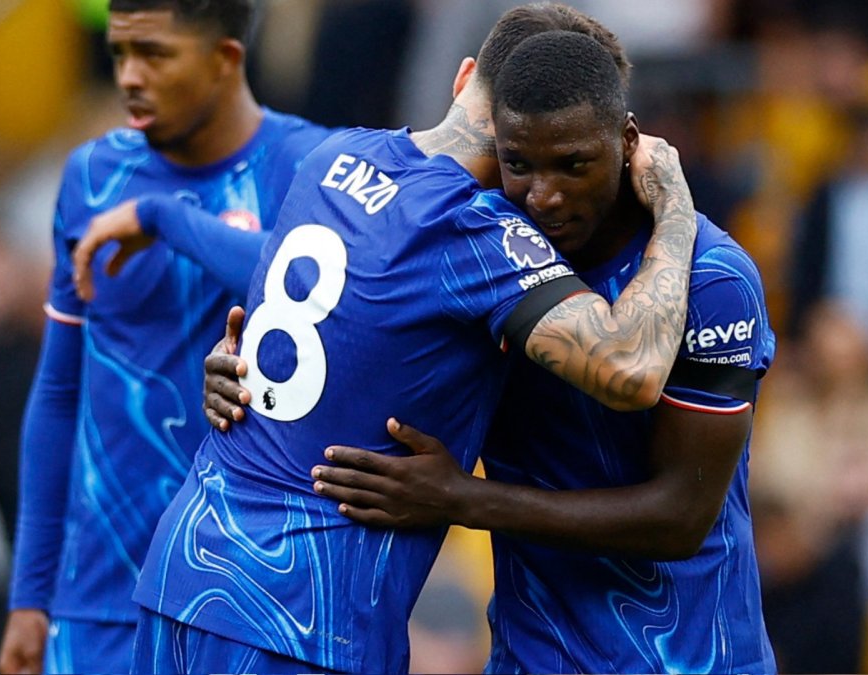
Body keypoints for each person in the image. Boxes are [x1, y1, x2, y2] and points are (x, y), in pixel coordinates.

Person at [73, 4, 698, 671]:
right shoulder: (475, 233)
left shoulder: (335, 155)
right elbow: (631, 367)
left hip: (186, 566)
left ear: (463, 80)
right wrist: (676, 212)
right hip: (302, 611)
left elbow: (283, 270)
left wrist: (163, 214)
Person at [209, 29, 777, 673]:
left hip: (689, 657)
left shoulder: (710, 279)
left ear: (627, 143)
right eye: (520, 164)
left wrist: (464, 500)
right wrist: (244, 370)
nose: (544, 195)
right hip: (529, 655)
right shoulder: (481, 254)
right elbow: (338, 315)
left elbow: (681, 517)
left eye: (573, 163)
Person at [0, 1, 332, 673]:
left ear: (225, 58)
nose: (129, 76)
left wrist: (165, 219)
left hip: (249, 596)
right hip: (99, 600)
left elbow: (309, 289)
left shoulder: (311, 165)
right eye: (120, 53)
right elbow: (60, 390)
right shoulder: (93, 177)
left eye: (154, 53)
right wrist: (31, 593)